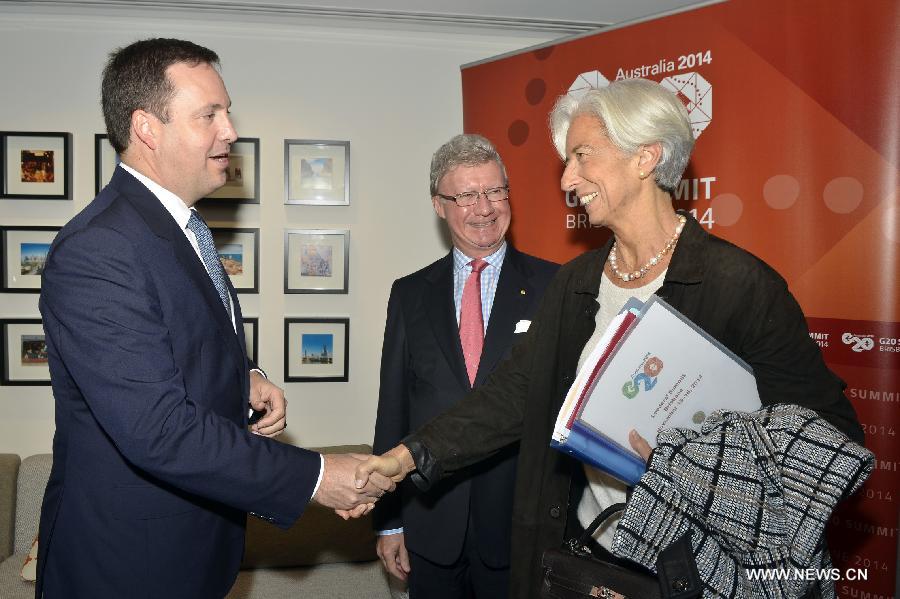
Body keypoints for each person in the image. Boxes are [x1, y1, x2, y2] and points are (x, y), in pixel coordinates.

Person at [357, 78, 864, 598]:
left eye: (581, 155)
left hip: (697, 570)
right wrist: (403, 459)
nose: (567, 179)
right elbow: (509, 397)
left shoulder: (739, 286)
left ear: (646, 156)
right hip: (590, 559)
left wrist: (689, 462)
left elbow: (833, 438)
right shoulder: (577, 283)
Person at [36, 38, 391, 599]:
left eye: (227, 113)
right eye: (210, 115)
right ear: (147, 128)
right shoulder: (99, 249)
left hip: (193, 550)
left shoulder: (176, 227)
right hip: (129, 567)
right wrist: (317, 476)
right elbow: (157, 429)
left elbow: (176, 337)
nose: (230, 131)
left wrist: (240, 377)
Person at [372, 134, 558, 598]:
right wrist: (389, 521)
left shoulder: (556, 285)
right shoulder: (410, 294)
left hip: (520, 523)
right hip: (432, 519)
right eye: (467, 195)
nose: (484, 207)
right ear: (439, 205)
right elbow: (393, 407)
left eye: (495, 191)